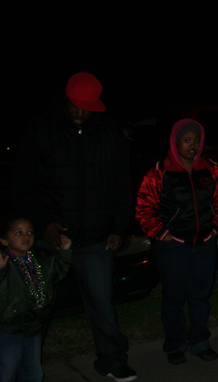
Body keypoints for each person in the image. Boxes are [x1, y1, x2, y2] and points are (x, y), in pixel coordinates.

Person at [12, 72, 136, 382]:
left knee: (103, 305)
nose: (80, 113)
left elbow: (123, 185)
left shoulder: (111, 133)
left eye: (87, 108)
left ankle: (111, 360)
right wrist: (43, 225)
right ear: (66, 100)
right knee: (36, 307)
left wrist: (118, 228)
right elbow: (25, 184)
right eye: (75, 106)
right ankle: (24, 369)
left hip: (95, 239)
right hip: (52, 240)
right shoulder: (42, 130)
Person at [136, 119, 218, 365]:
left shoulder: (210, 169)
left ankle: (199, 341)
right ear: (175, 141)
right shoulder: (159, 172)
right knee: (173, 298)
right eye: (187, 140)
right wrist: (162, 235)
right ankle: (175, 344)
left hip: (204, 245)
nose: (192, 145)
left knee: (200, 297)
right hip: (173, 247)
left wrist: (215, 228)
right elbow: (144, 208)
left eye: (196, 140)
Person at [1, 215, 72, 382]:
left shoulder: (40, 258)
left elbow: (58, 272)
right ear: (4, 240)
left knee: (33, 371)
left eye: (30, 232)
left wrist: (66, 251)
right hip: (9, 328)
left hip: (34, 326)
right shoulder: (5, 262)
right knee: (7, 370)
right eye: (18, 233)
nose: (26, 237)